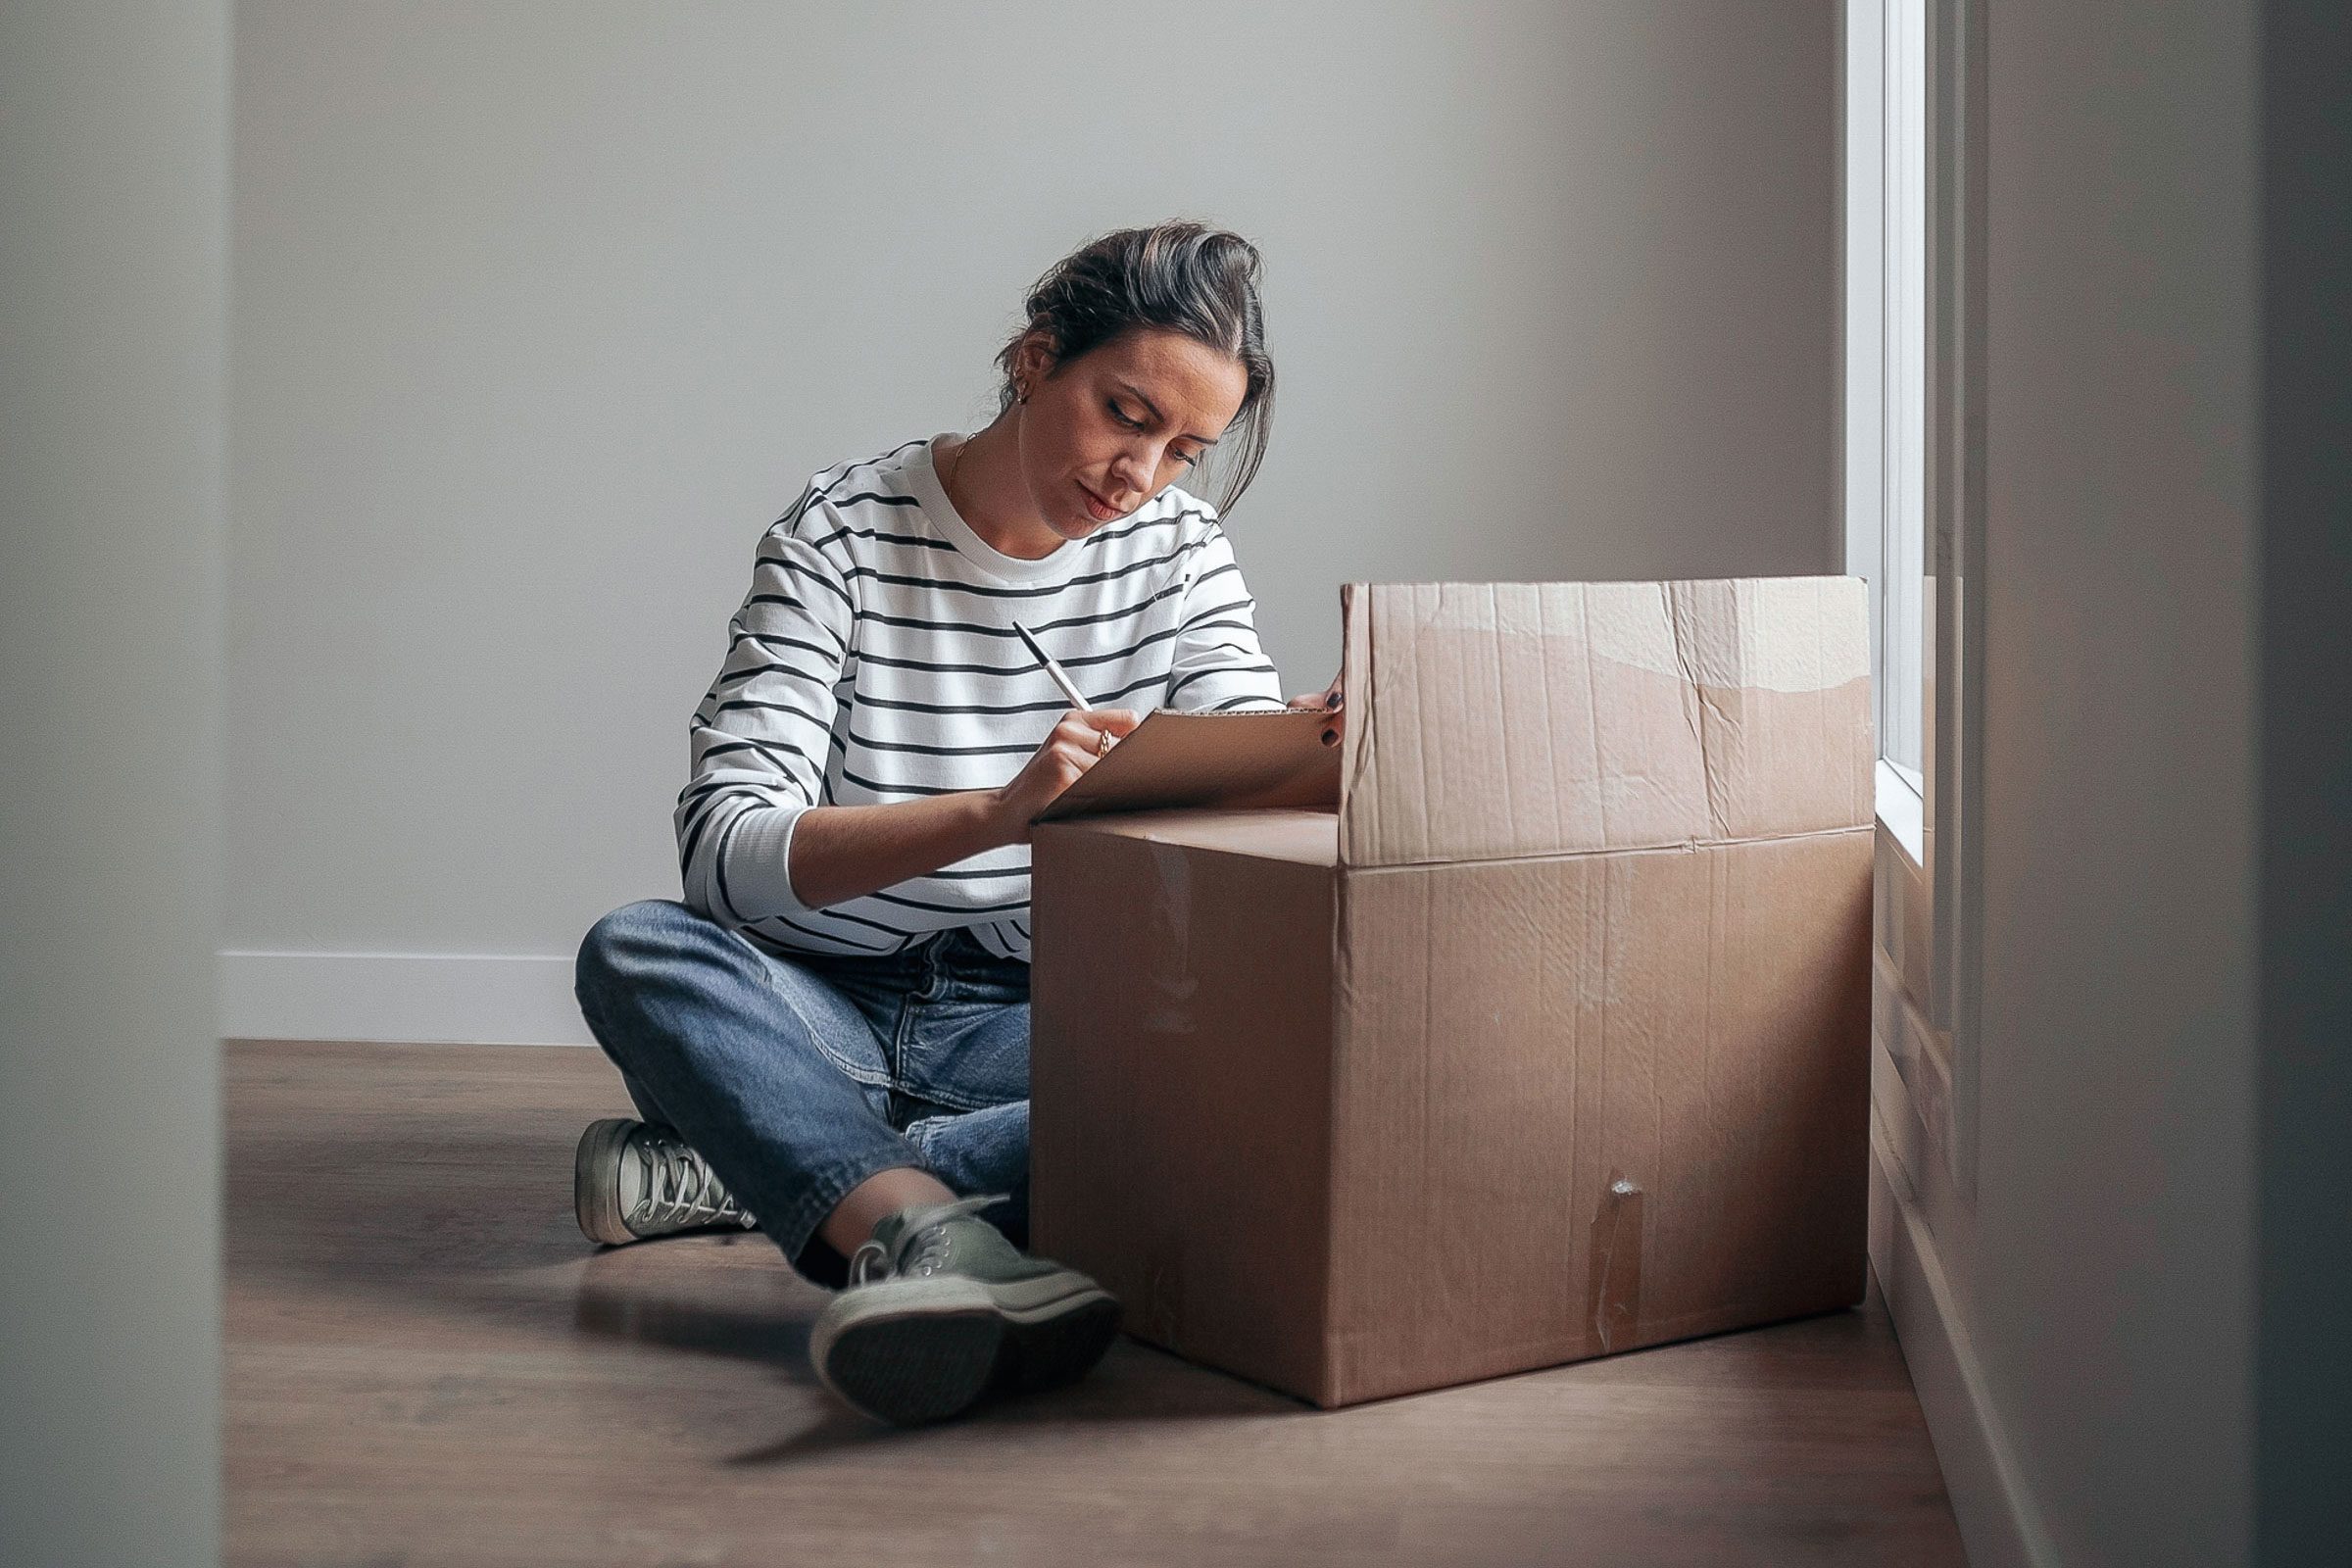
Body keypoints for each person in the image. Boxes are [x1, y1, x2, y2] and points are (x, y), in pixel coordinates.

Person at [570, 220, 1342, 1427]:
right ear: (1035, 360)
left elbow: (1230, 767)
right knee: (637, 948)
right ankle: (939, 1228)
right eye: (1126, 414)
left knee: (1260, 1091)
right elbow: (725, 858)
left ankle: (780, 1171)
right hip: (818, 993)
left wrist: (1298, 751)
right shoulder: (843, 531)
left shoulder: (1182, 553)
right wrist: (996, 813)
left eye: (1186, 448)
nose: (1141, 473)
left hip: (1028, 1010)